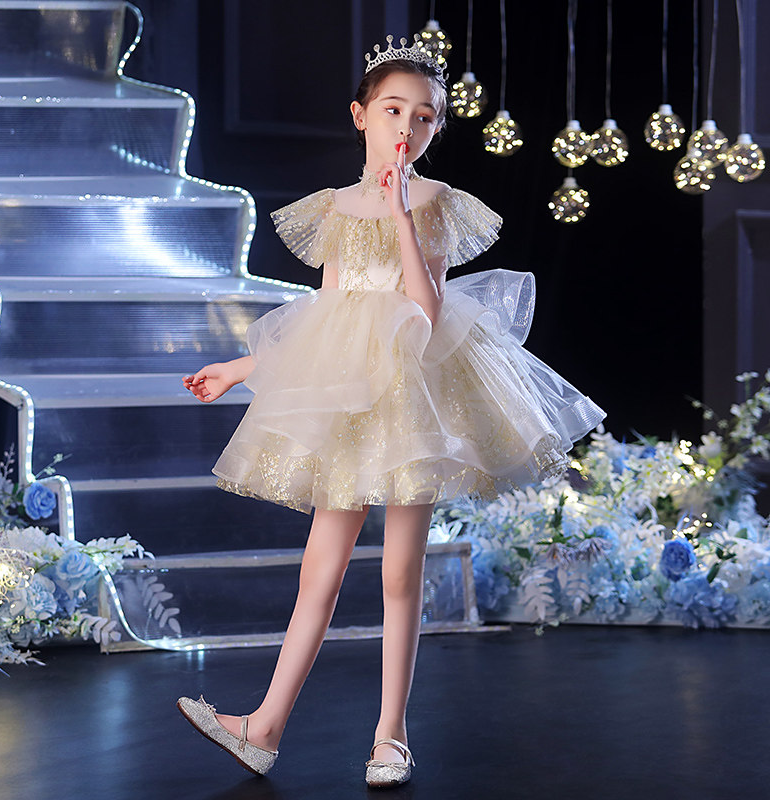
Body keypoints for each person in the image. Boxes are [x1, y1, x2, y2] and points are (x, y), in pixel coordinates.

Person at [176, 34, 605, 788]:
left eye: (426, 116)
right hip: (348, 393)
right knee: (320, 569)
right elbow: (326, 312)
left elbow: (427, 311)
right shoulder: (336, 209)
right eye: (393, 110)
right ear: (361, 115)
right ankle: (264, 727)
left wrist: (404, 214)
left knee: (401, 571)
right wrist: (243, 368)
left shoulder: (432, 202)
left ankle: (391, 737)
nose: (408, 126)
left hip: (414, 396)